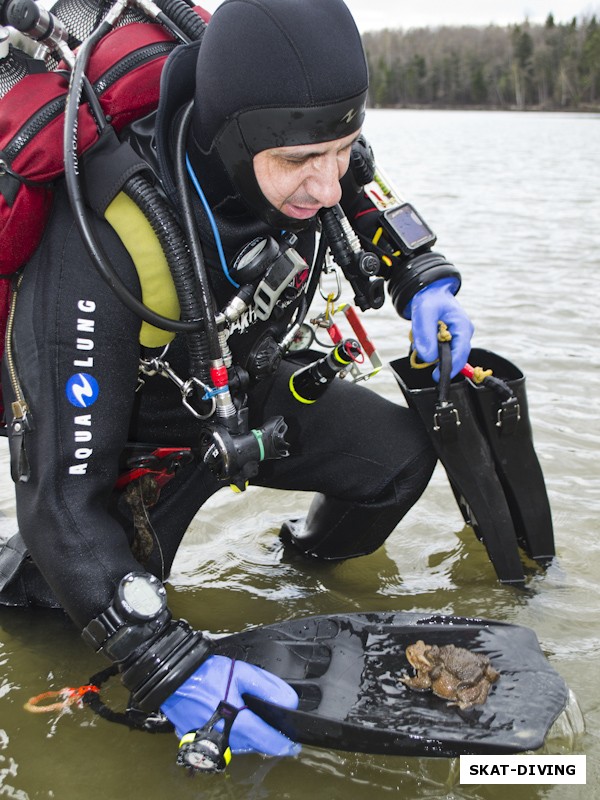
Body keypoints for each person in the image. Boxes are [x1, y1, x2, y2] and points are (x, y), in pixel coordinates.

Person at [0, 0, 473, 764]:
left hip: (239, 389)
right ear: (235, 137)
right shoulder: (104, 235)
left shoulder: (313, 150)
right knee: (57, 616)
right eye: (298, 161)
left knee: (396, 460)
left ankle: (299, 580)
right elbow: (58, 502)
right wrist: (165, 663)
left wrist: (423, 278)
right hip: (132, 437)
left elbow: (358, 191)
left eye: (343, 147)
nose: (325, 186)